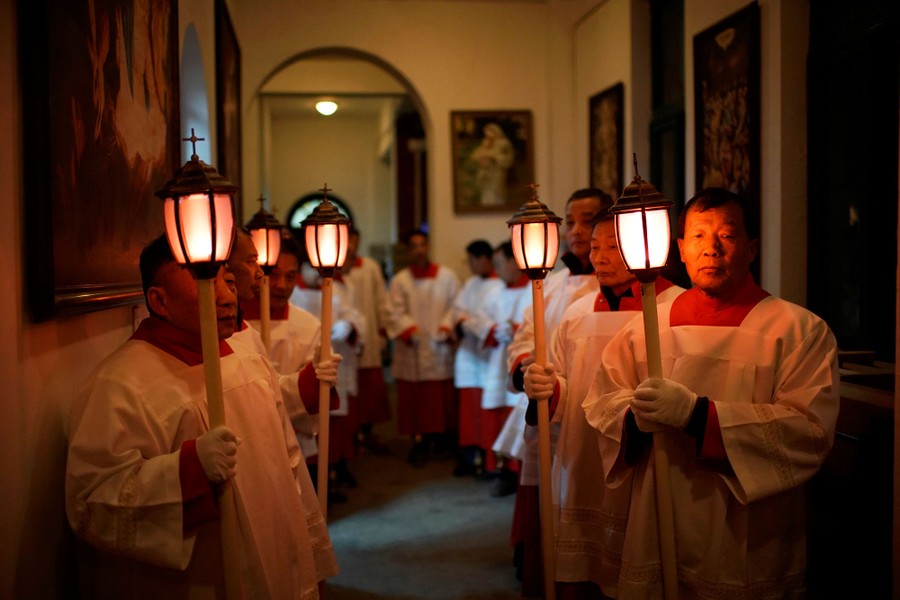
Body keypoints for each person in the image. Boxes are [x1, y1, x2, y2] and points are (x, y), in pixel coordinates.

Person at [582, 188, 840, 598]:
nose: (712, 249)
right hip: (658, 511)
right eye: (699, 236)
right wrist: (632, 416)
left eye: (728, 235)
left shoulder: (798, 331)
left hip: (747, 529)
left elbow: (809, 431)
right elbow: (602, 400)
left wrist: (700, 417)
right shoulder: (649, 326)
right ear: (680, 249)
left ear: (752, 247)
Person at [65, 234, 337, 598]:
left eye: (225, 280)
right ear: (158, 300)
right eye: (202, 284)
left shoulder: (245, 357)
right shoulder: (120, 385)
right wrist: (186, 471)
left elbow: (283, 457)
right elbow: (92, 504)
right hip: (202, 575)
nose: (227, 298)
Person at [523, 211, 683, 598]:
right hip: (581, 453)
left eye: (613, 246)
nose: (601, 257)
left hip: (641, 455)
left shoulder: (676, 308)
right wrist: (544, 386)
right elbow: (563, 378)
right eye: (595, 247)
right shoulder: (576, 312)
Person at [504, 188, 606, 594]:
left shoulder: (615, 284)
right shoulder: (549, 282)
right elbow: (524, 338)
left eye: (589, 221)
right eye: (572, 222)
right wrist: (527, 366)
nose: (578, 232)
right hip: (546, 404)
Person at [291, 242, 366, 493]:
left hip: (338, 357)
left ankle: (337, 466)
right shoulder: (295, 294)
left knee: (337, 421)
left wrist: (349, 326)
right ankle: (318, 479)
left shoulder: (338, 286)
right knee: (314, 421)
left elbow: (354, 314)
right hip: (308, 363)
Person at [385, 228, 461, 467]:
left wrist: (447, 327)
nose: (419, 249)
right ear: (409, 250)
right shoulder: (400, 280)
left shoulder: (447, 277)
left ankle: (439, 440)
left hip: (438, 347)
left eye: (422, 244)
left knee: (439, 399)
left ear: (428, 246)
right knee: (415, 400)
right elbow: (392, 311)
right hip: (413, 349)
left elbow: (457, 305)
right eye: (414, 246)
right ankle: (418, 441)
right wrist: (408, 329)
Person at [481, 241, 532, 497]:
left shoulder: (535, 289)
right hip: (497, 362)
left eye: (500, 263)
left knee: (518, 417)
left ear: (514, 262)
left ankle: (515, 472)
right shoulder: (495, 291)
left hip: (518, 364)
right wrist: (492, 328)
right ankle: (501, 469)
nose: (497, 270)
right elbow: (479, 318)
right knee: (499, 414)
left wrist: (515, 330)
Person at [452, 239, 505, 477]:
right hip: (468, 356)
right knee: (468, 413)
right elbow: (458, 311)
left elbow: (489, 321)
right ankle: (469, 457)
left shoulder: (499, 286)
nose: (470, 266)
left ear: (483, 258)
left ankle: (487, 460)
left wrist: (470, 322)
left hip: (486, 357)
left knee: (485, 414)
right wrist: (465, 322)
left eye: (472, 260)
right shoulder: (471, 283)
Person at [341, 226, 392, 455]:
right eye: (348, 239)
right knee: (347, 389)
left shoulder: (370, 266)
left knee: (369, 391)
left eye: (354, 239)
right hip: (344, 336)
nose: (351, 243)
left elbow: (381, 300)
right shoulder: (336, 267)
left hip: (368, 334)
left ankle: (367, 431)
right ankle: (351, 435)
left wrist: (382, 330)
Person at [469, 122, 515, 207]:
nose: (488, 134)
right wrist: (481, 158)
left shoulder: (504, 143)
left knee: (497, 195)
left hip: (497, 173)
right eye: (486, 131)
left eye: (490, 131)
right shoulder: (485, 143)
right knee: (486, 195)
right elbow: (475, 155)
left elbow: (508, 159)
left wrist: (494, 157)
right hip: (485, 174)